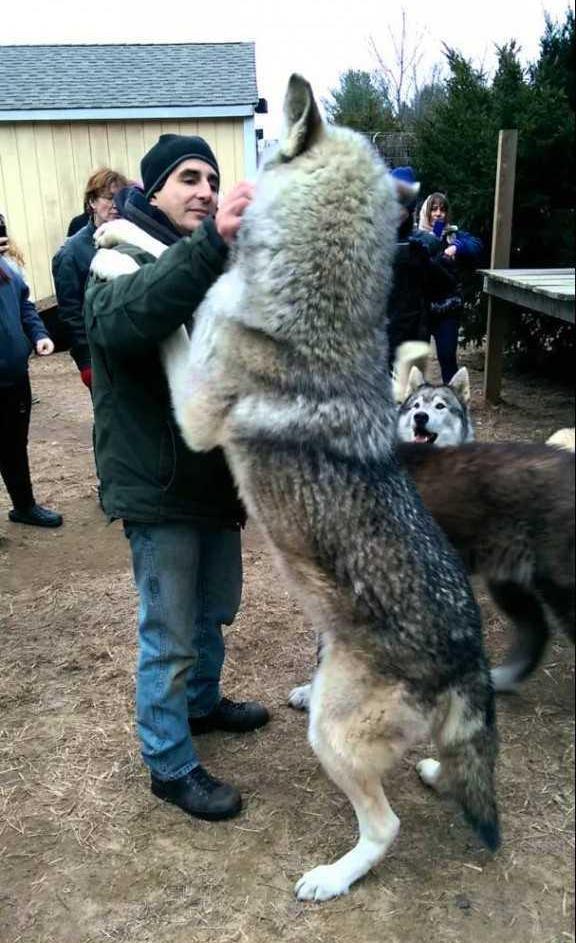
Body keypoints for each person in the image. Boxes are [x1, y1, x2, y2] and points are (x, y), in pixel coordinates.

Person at [84, 134, 268, 822]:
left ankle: (201, 703)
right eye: (189, 178)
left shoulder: (208, 264)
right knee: (168, 632)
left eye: (212, 180)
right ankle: (168, 762)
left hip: (213, 479)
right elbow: (130, 319)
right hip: (159, 484)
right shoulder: (116, 256)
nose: (205, 191)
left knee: (214, 608)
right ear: (154, 188)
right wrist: (213, 245)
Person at [0, 212, 62, 528]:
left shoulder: (8, 270)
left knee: (14, 445)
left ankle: (24, 506)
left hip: (14, 377)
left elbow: (25, 305)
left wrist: (38, 334)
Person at [52, 168, 128, 391]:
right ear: (92, 202)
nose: (115, 204)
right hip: (99, 357)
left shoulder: (131, 240)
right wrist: (86, 361)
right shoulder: (71, 253)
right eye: (109, 198)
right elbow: (70, 313)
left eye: (120, 198)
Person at [386, 169, 456, 368]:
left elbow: (447, 284)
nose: (438, 213)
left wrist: (430, 259)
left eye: (442, 210)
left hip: (415, 328)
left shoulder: (427, 242)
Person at [417, 192, 483, 382]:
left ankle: (453, 396)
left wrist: (456, 247)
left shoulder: (453, 235)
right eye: (434, 209)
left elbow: (476, 245)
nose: (438, 214)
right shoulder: (417, 236)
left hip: (447, 308)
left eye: (442, 209)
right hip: (421, 310)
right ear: (426, 211)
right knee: (417, 363)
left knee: (447, 357)